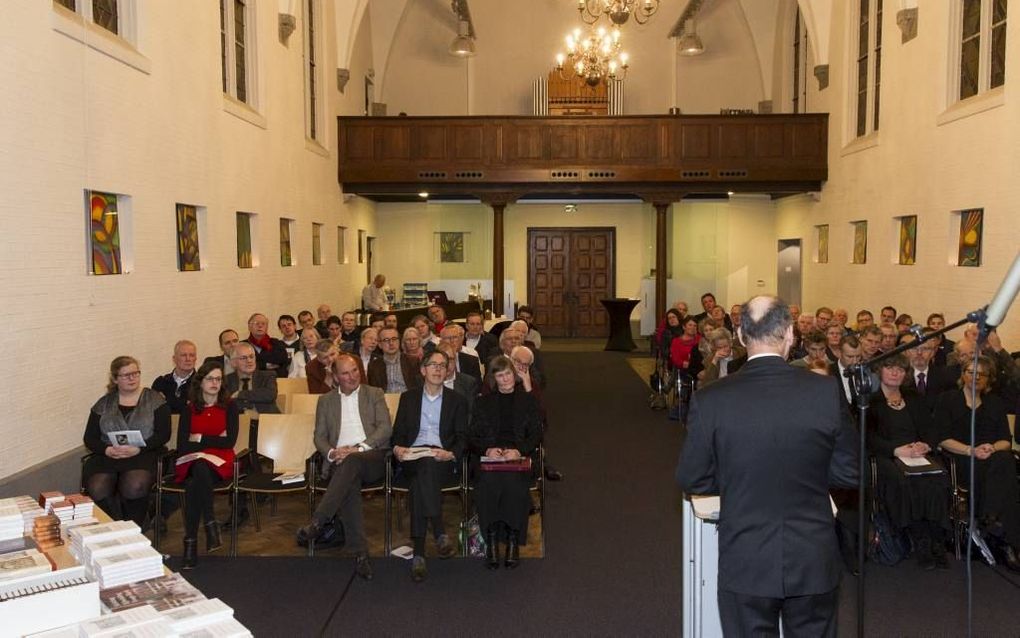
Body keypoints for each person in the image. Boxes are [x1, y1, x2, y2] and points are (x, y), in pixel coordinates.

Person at [676, 295, 858, 637]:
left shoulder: (712, 398)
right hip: (812, 556)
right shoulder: (825, 391)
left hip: (746, 557)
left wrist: (735, 477)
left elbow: (692, 477)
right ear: (790, 334)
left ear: (742, 336)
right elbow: (850, 472)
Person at [297, 353, 392, 580]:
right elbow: (319, 436)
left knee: (350, 462)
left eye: (355, 371)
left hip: (372, 457)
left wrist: (357, 448)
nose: (352, 377)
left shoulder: (374, 394)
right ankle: (360, 554)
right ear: (336, 377)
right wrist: (332, 452)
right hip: (340, 462)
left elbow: (385, 429)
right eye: (345, 373)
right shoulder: (326, 401)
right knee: (347, 478)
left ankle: (319, 521)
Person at [936, 356, 1020, 572]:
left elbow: (1005, 440)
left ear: (989, 379)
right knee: (1003, 472)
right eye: (971, 372)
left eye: (981, 374)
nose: (975, 377)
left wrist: (991, 447)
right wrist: (971, 450)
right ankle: (1002, 536)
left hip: (990, 458)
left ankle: (991, 522)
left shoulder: (995, 403)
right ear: (963, 375)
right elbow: (942, 438)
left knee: (1004, 459)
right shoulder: (948, 399)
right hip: (961, 458)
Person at [391, 350, 469, 582]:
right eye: (433, 365)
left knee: (420, 482)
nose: (437, 369)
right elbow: (397, 434)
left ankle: (419, 553)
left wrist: (451, 453)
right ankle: (439, 530)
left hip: (441, 459)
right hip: (413, 457)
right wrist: (397, 448)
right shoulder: (408, 398)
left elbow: (464, 437)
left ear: (447, 371)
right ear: (423, 370)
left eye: (442, 365)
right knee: (423, 467)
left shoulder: (458, 401)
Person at [866, 354, 950, 569]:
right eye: (890, 368)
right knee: (905, 483)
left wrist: (926, 445)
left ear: (906, 374)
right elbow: (868, 437)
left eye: (900, 370)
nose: (895, 373)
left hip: (917, 453)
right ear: (880, 371)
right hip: (888, 456)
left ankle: (936, 540)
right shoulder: (871, 401)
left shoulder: (913, 397)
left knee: (937, 481)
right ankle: (920, 540)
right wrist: (896, 450)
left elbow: (931, 428)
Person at [469, 355, 542, 570]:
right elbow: (472, 436)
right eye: (500, 376)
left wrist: (519, 451)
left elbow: (536, 434)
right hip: (491, 455)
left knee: (513, 483)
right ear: (494, 379)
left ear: (515, 374)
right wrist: (488, 449)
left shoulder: (528, 400)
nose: (505, 379)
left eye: (508, 374)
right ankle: (490, 540)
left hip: (518, 455)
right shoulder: (483, 402)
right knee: (488, 483)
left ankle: (512, 540)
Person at [83, 356, 171, 526]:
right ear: (115, 379)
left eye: (135, 373)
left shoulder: (155, 400)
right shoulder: (103, 404)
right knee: (97, 486)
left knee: (135, 485)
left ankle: (136, 524)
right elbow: (89, 438)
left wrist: (139, 448)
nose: (132, 378)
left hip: (144, 453)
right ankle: (116, 525)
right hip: (110, 456)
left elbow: (163, 434)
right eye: (126, 375)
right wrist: (107, 449)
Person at [174, 361, 238, 569]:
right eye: (210, 378)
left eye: (218, 379)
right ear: (200, 382)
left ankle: (190, 544)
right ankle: (209, 522)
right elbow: (182, 445)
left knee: (194, 485)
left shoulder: (229, 406)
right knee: (199, 467)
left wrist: (199, 437)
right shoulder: (190, 409)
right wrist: (212, 438)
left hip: (220, 461)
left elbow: (229, 442)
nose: (215, 383)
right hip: (192, 460)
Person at [224, 342, 279, 414]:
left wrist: (240, 394)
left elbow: (270, 394)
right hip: (238, 422)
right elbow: (225, 402)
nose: (249, 361)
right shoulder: (227, 380)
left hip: (265, 421)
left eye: (251, 356)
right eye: (244, 358)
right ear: (234, 362)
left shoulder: (267, 376)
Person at [367, 327, 422, 393]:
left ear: (399, 341)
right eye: (386, 340)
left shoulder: (412, 362)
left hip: (407, 400)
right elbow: (373, 392)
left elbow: (419, 388)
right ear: (380, 345)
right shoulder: (373, 366)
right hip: (384, 400)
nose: (391, 343)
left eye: (394, 339)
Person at [152, 340, 197, 414]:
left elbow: (195, 409)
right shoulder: (160, 382)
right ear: (174, 359)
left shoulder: (202, 383)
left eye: (191, 355)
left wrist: (166, 399)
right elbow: (155, 408)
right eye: (183, 355)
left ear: (195, 359)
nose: (188, 359)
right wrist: (185, 402)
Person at [245, 313, 289, 378]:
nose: (260, 326)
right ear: (249, 327)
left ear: (267, 327)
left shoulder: (276, 343)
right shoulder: (243, 346)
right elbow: (243, 366)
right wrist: (267, 365)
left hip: (277, 381)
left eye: (263, 323)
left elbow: (282, 361)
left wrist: (257, 364)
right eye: (257, 323)